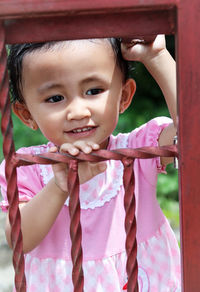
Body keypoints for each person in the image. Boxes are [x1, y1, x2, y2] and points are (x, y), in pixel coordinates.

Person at [0, 36, 181, 291]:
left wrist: (156, 57)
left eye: (94, 91)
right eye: (55, 98)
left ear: (124, 96)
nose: (78, 112)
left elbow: (191, 131)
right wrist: (58, 186)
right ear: (26, 114)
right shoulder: (28, 165)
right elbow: (19, 238)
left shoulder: (137, 149)